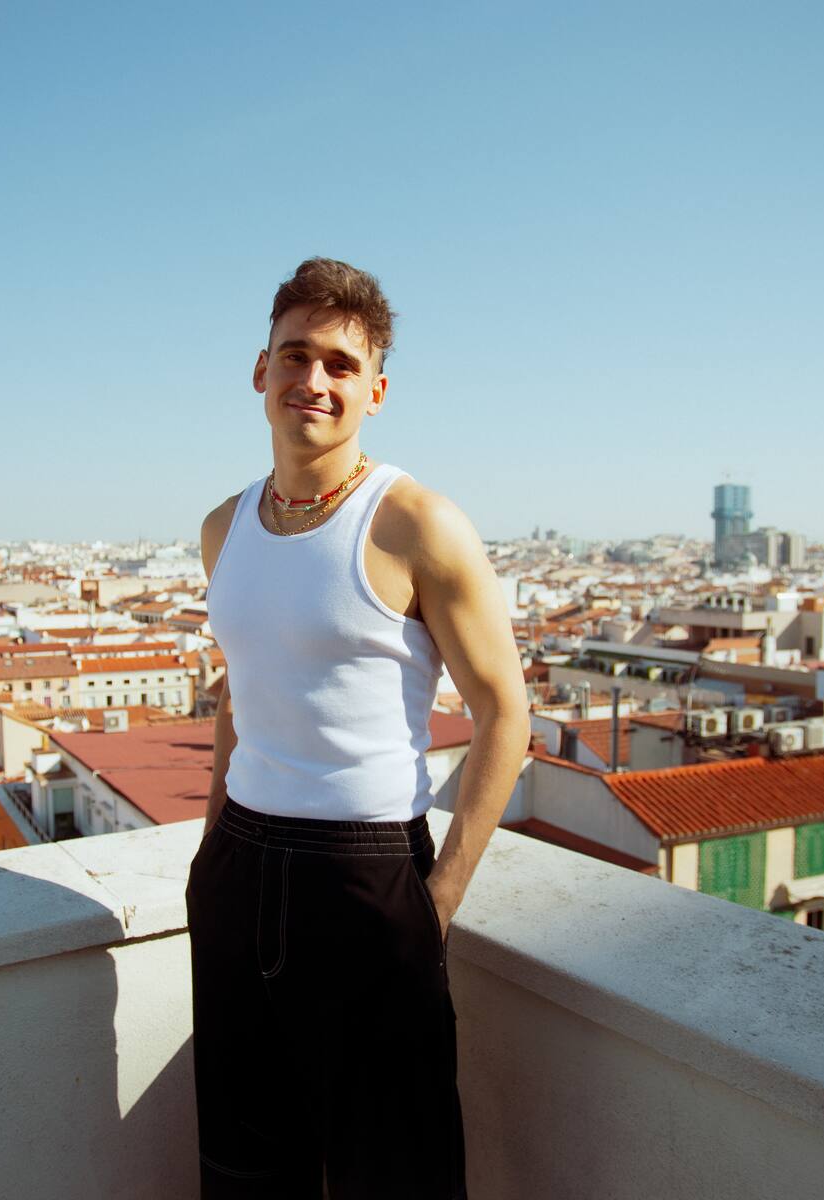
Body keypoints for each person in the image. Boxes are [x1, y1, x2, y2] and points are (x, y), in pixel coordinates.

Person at [186, 257, 530, 1199]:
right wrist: (213, 848)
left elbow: (506, 713)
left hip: (366, 873)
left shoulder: (416, 523)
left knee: (395, 1170)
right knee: (246, 1166)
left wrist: (437, 899)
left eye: (342, 364)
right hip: (239, 867)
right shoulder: (223, 528)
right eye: (296, 355)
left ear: (375, 391)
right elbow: (238, 693)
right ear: (260, 370)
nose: (315, 380)